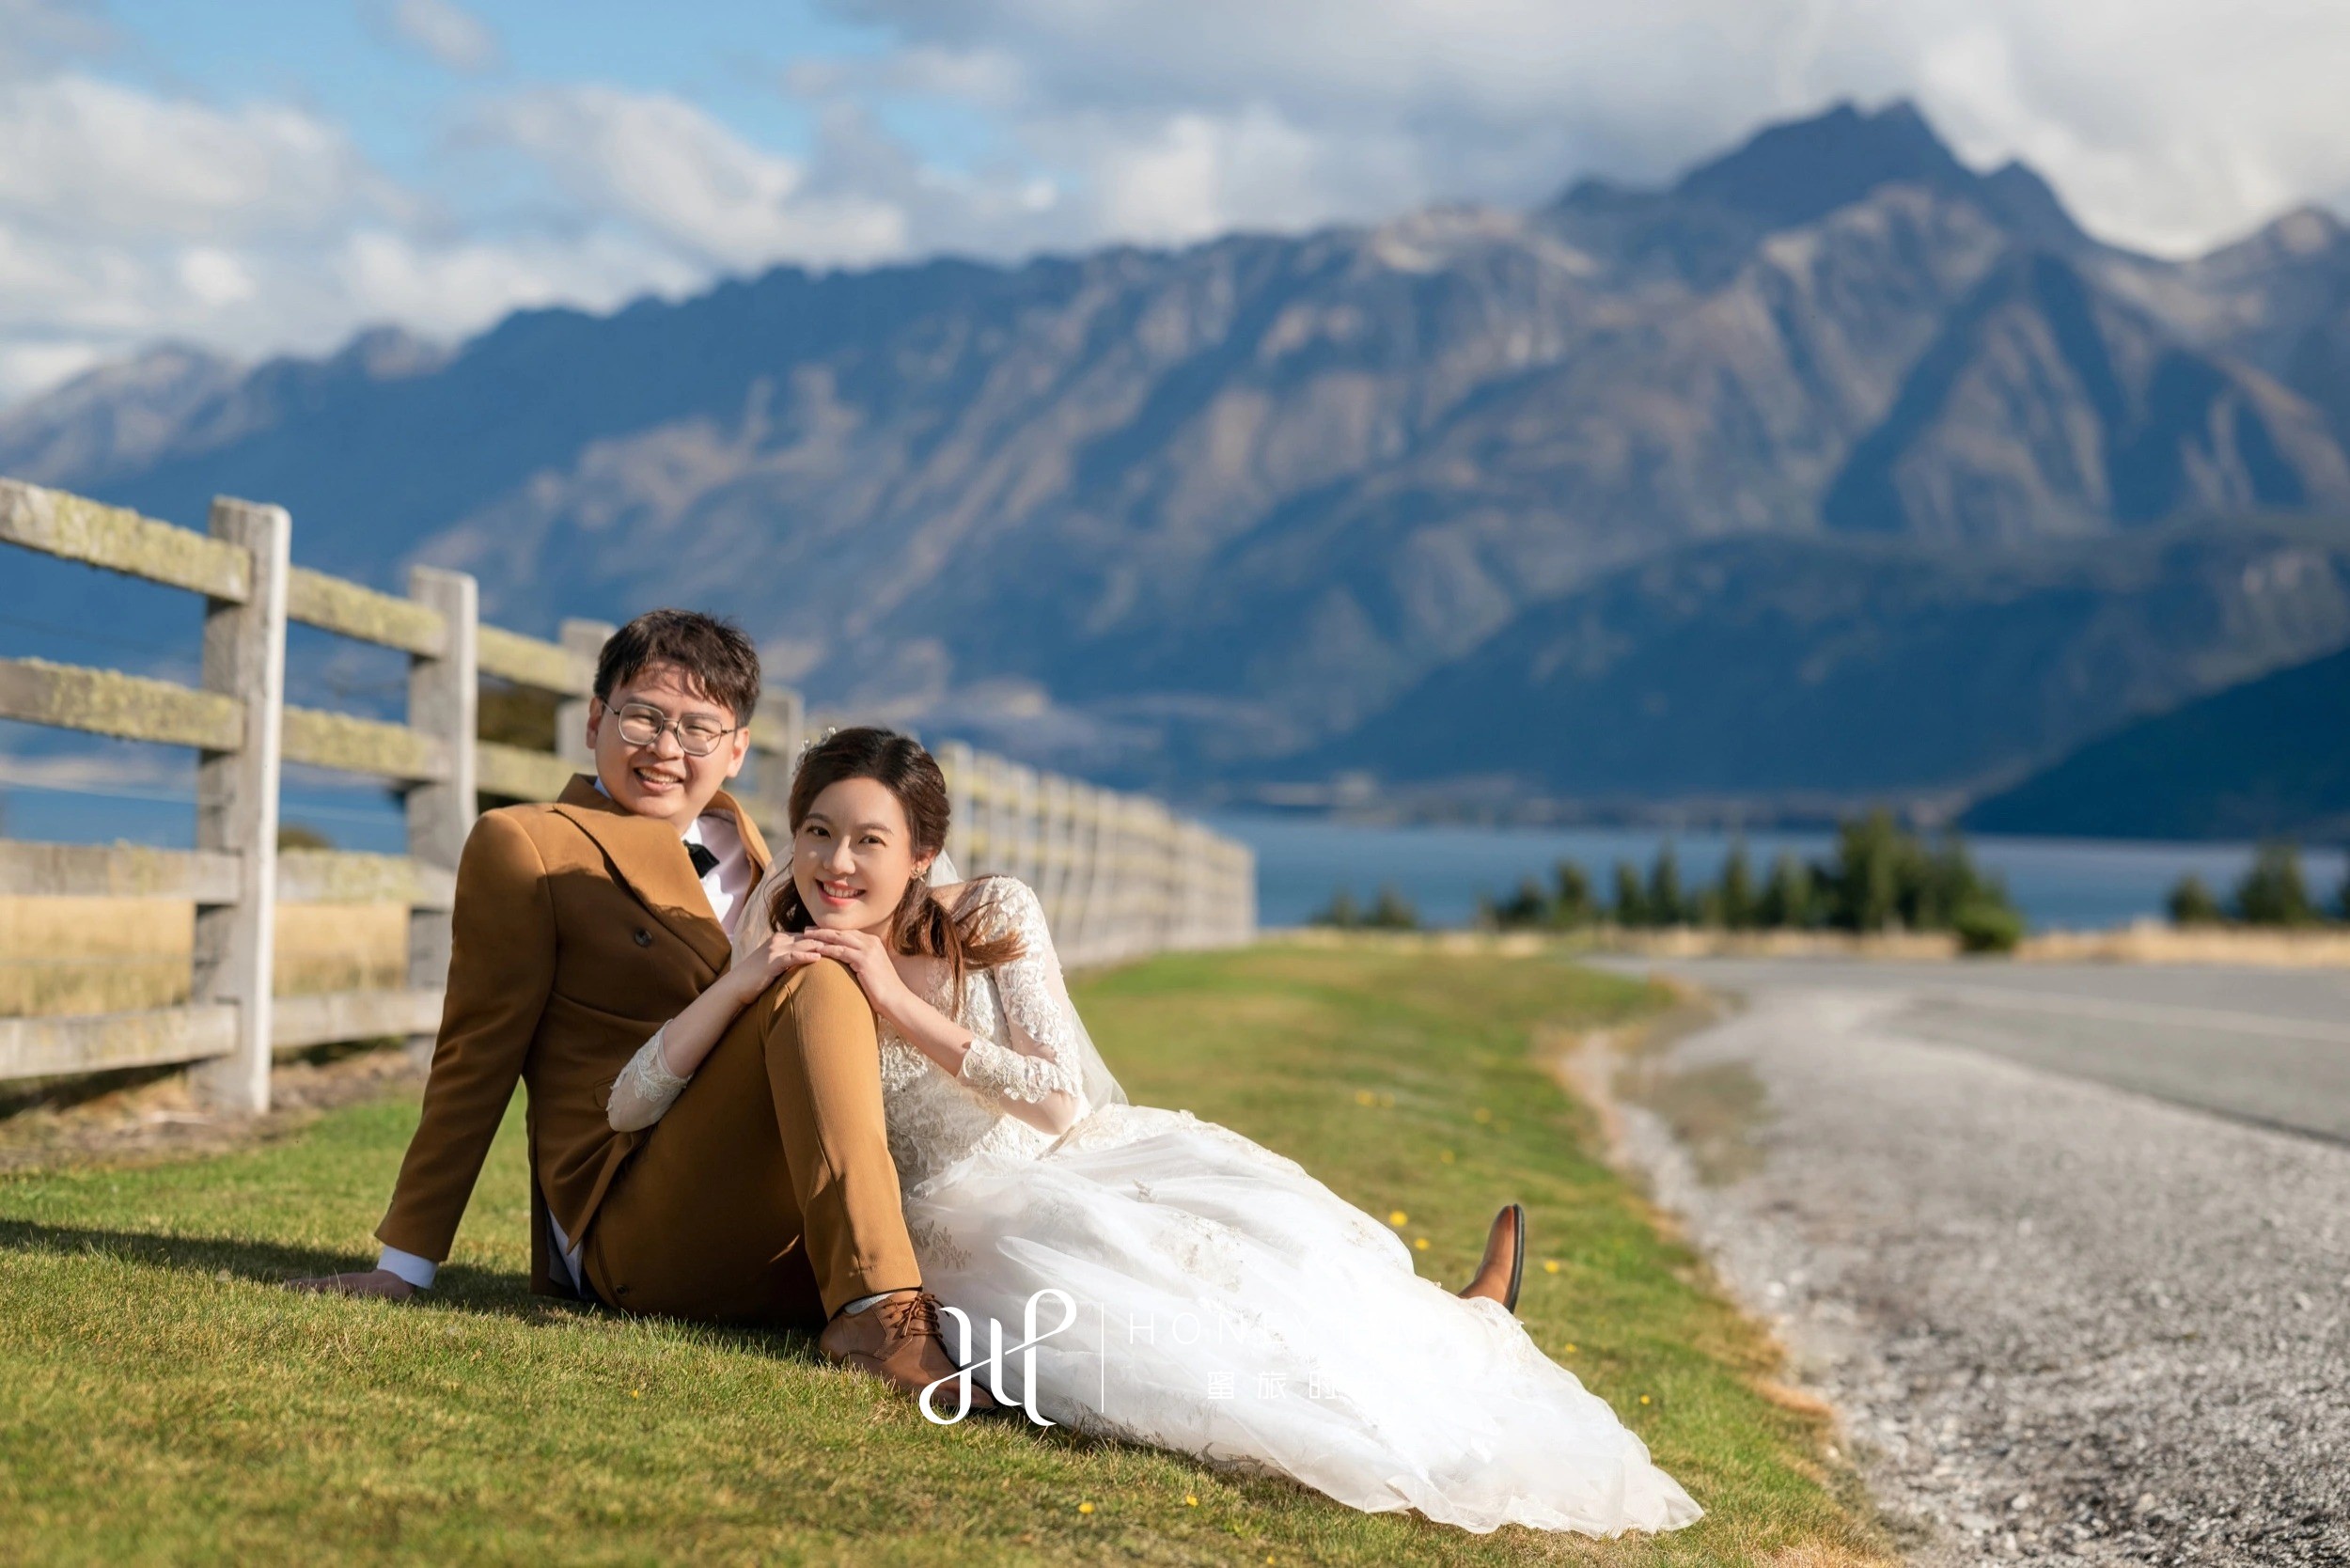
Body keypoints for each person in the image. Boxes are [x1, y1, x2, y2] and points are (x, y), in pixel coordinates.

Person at [604, 726, 1703, 1537]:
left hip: (1059, 1157)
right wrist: (742, 982)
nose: (836, 864)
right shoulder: (777, 927)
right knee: (1181, 1333)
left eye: (868, 842)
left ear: (924, 853)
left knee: (1280, 1248)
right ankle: (1442, 1345)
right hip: (945, 1225)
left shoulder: (993, 915)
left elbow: (1055, 1100)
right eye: (816, 834)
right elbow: (630, 1105)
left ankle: (1456, 1327)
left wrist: (899, 1004)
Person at [289, 613, 991, 1409]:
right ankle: (880, 1317)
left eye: (697, 728)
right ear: (595, 720)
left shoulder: (782, 855)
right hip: (632, 1216)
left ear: (737, 749)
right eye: (642, 717)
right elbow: (474, 1055)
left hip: (770, 1210)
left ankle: (886, 1292)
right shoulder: (531, 845)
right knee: (819, 976)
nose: (665, 749)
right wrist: (404, 1264)